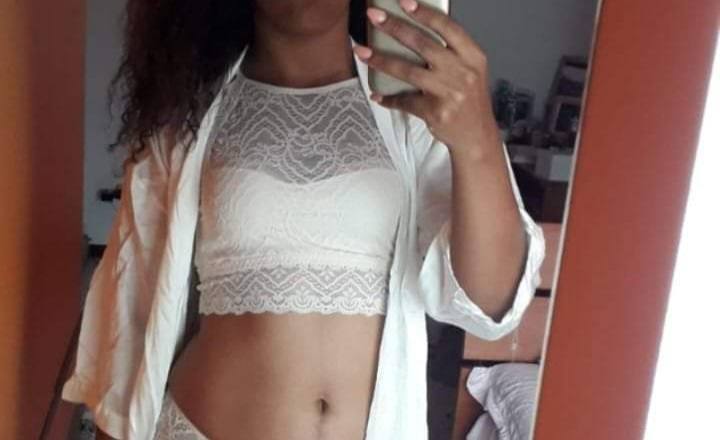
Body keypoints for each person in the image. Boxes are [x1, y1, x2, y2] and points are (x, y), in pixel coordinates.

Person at [63, 0, 546, 438]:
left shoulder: (422, 112)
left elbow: (490, 306)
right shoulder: (184, 116)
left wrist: (477, 141)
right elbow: (132, 307)